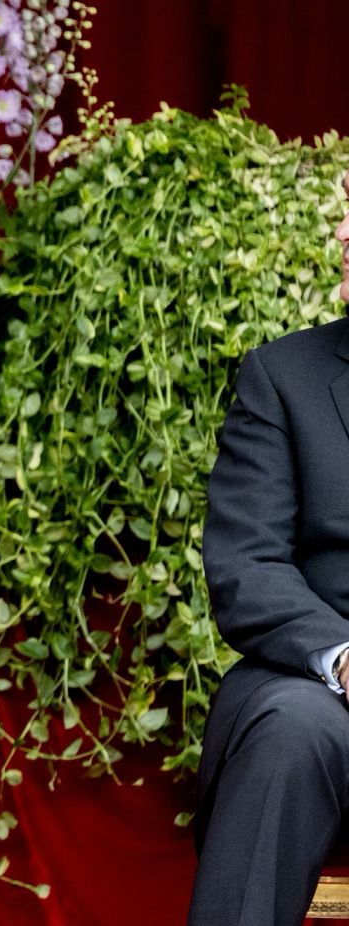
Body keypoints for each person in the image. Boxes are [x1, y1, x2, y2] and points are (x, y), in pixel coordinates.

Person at [190, 171, 349, 924]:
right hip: (324, 691)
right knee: (291, 729)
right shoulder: (283, 376)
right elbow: (246, 565)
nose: (345, 239)